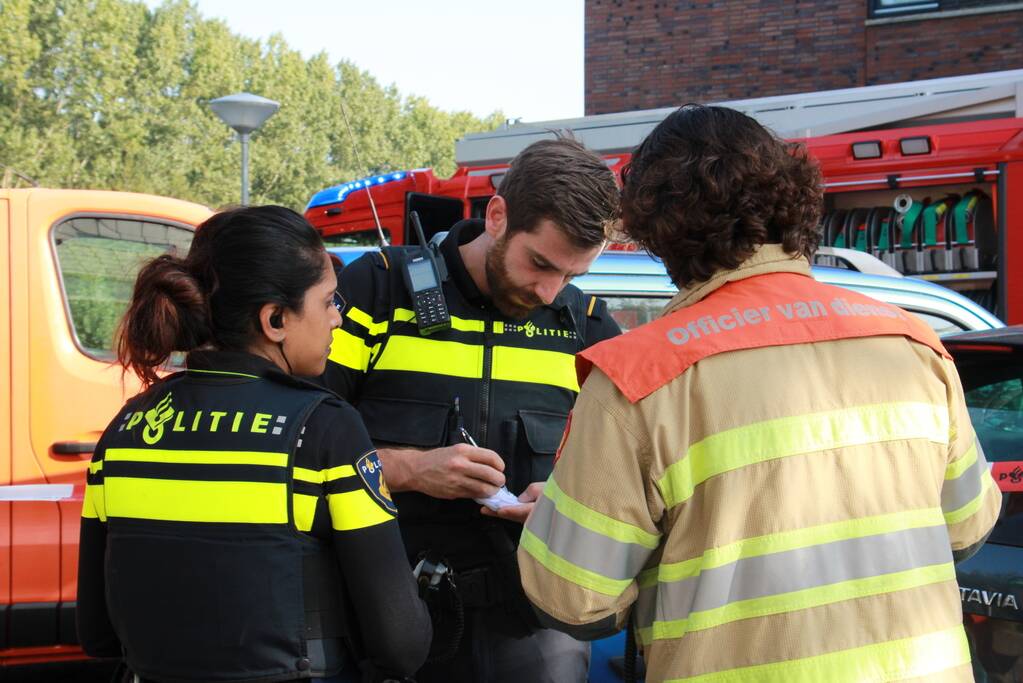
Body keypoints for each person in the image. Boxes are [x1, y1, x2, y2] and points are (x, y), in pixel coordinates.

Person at [518, 105, 1002, 682]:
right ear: (790, 198)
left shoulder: (640, 378)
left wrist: (568, 520)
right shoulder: (914, 344)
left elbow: (572, 597)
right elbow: (969, 525)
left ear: (656, 230)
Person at [77, 206, 431, 683]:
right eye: (329, 301)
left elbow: (98, 634)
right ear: (275, 319)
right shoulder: (325, 430)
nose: (337, 319)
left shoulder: (125, 430)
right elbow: (401, 644)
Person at [322, 138, 622, 683]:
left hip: (533, 630)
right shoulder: (376, 292)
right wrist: (409, 469)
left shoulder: (589, 328)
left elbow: (625, 477)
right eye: (540, 263)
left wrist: (569, 501)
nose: (549, 292)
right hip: (381, 616)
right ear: (498, 215)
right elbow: (294, 445)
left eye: (571, 277)